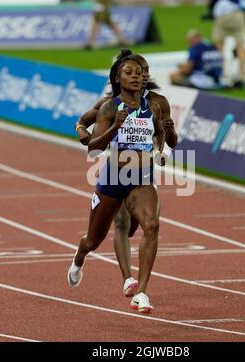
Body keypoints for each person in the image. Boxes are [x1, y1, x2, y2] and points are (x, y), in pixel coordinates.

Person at [68, 51, 166, 313]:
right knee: (94, 240)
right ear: (118, 78)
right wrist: (111, 129)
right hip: (113, 176)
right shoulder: (110, 106)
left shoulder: (153, 106)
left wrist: (160, 151)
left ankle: (141, 293)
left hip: (141, 176)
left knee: (151, 225)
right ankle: (80, 255)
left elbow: (160, 133)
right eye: (130, 72)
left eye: (140, 72)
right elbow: (93, 149)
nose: (137, 76)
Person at [212, 0, 245, 88]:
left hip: (220, 15)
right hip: (237, 14)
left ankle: (222, 76)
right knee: (241, 47)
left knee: (219, 48)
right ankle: (241, 78)